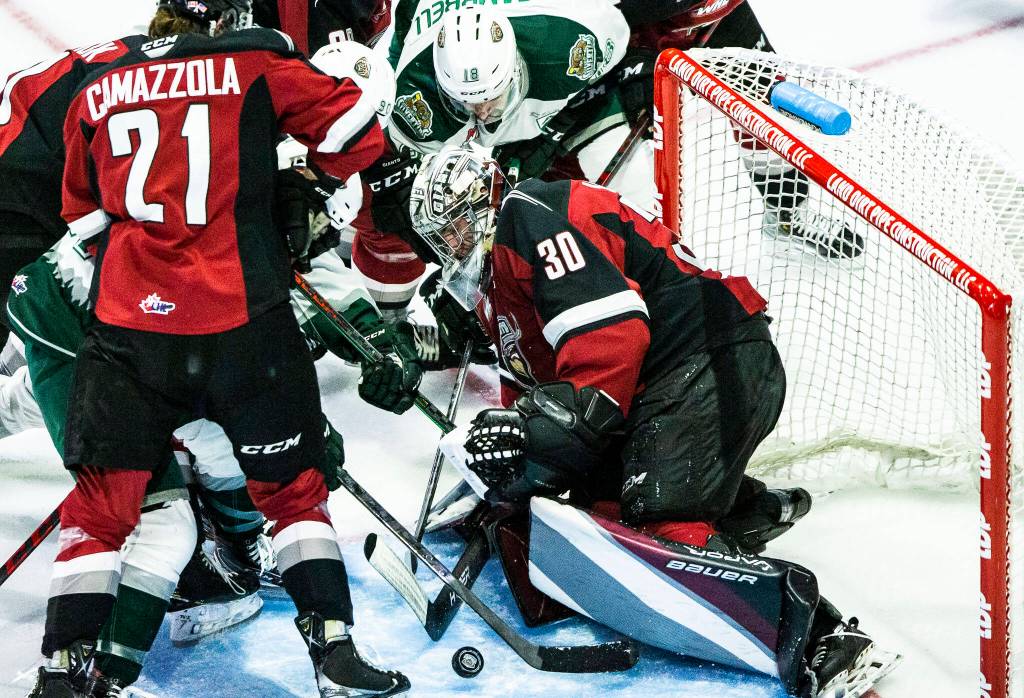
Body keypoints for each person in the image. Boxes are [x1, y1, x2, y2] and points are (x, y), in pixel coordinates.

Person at [408, 144, 900, 697]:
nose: (450, 246)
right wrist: (514, 457)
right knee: (598, 514)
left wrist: (528, 430)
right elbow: (538, 388)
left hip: (709, 356)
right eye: (440, 238)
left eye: (454, 226)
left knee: (655, 518)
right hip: (671, 376)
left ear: (485, 199)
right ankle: (744, 510)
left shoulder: (529, 216)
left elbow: (612, 342)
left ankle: (826, 641)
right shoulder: (499, 281)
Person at [31, 1, 410, 697]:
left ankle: (60, 671)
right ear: (225, 17)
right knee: (293, 493)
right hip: (243, 327)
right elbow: (359, 137)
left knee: (100, 511)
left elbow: (82, 218)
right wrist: (303, 179)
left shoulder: (97, 86)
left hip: (131, 334)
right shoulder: (253, 56)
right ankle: (333, 653)